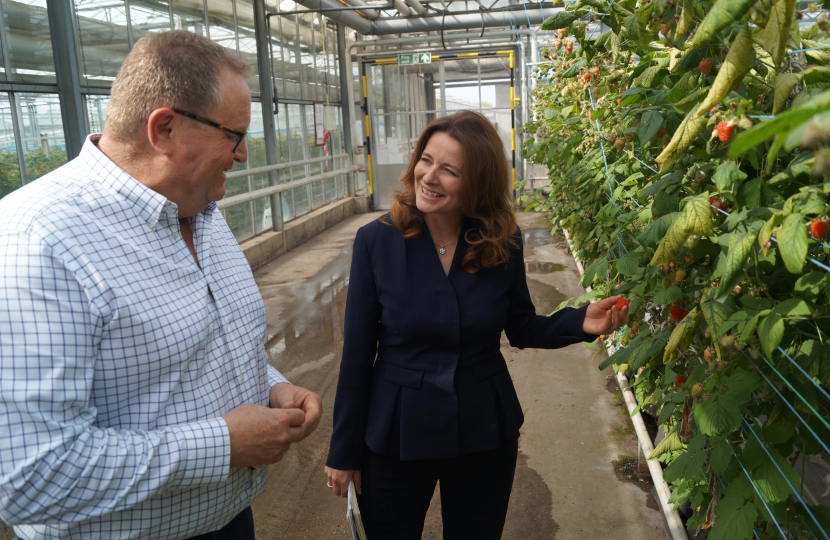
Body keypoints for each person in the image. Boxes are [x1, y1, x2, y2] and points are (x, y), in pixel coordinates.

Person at [0, 30, 322, 540]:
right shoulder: (37, 241)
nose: (241, 156)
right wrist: (223, 445)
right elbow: (31, 477)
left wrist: (272, 384)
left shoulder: (200, 210)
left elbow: (204, 344)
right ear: (165, 129)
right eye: (234, 135)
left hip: (231, 519)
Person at [324, 110, 627, 539]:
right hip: (397, 432)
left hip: (483, 429)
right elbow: (356, 354)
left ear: (478, 183)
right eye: (426, 160)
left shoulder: (502, 242)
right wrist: (343, 450)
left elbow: (520, 327)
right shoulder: (378, 240)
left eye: (449, 171)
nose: (428, 177)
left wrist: (581, 322)